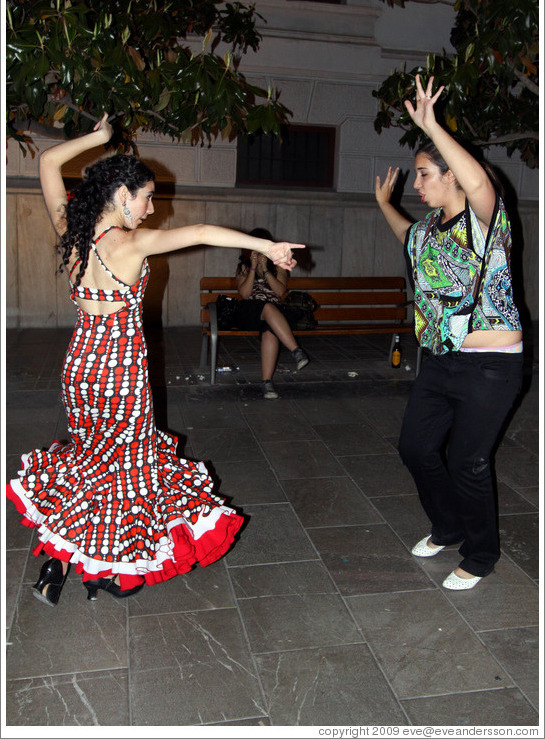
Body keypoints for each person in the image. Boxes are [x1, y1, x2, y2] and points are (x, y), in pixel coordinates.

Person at [6, 114, 304, 606]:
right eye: (146, 197)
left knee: (89, 463)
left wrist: (96, 139)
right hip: (121, 373)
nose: (150, 209)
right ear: (121, 194)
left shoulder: (72, 229)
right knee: (123, 472)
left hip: (81, 367)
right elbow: (203, 230)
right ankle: (107, 569)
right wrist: (264, 245)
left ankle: (56, 563)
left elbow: (47, 161)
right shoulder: (130, 244)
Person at [375, 75, 523, 590]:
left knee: (467, 460)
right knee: (415, 448)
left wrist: (433, 127)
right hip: (440, 359)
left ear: (452, 176)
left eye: (424, 175)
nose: (417, 185)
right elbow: (403, 231)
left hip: (490, 366)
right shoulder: (428, 230)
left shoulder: (488, 224)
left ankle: (481, 554)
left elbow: (480, 183)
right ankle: (448, 525)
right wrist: (383, 203)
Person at [235, 228, 310, 399]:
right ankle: (296, 351)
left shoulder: (278, 266)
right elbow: (245, 294)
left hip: (274, 314)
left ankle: (267, 383)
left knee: (270, 331)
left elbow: (280, 291)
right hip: (249, 312)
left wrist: (266, 270)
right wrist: (253, 268)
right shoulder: (243, 267)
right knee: (267, 307)